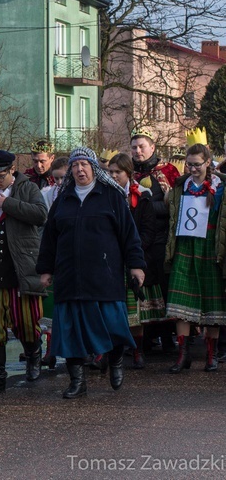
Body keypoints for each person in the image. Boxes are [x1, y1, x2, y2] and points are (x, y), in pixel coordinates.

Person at [37, 147, 145, 399]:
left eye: (84, 164)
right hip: (69, 276)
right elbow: (49, 238)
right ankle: (77, 381)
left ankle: (116, 361)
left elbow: (129, 234)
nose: (79, 169)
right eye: (75, 165)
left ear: (94, 168)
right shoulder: (63, 199)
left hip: (104, 276)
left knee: (112, 326)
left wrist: (136, 265)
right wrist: (45, 269)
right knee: (70, 331)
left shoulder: (110, 196)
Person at [0, 150, 47, 390]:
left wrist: (8, 203)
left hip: (21, 266)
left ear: (11, 170)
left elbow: (40, 215)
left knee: (25, 321)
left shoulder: (28, 188)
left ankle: (33, 356)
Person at [165, 143, 226, 373]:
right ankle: (184, 355)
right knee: (181, 301)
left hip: (210, 244)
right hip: (185, 243)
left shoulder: (221, 186)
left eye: (197, 164)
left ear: (208, 162)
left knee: (213, 300)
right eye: (188, 164)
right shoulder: (181, 186)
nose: (192, 169)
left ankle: (211, 355)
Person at [108, 153, 166, 369]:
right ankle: (107, 351)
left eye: (118, 172)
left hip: (134, 256)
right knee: (110, 308)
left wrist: (133, 252)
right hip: (110, 259)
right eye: (110, 172)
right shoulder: (104, 194)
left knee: (135, 311)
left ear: (128, 173)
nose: (113, 176)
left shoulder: (142, 195)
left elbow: (148, 230)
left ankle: (138, 349)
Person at [130, 127, 180, 353]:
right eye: (134, 147)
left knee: (162, 286)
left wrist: (148, 204)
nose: (138, 151)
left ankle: (168, 335)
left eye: (142, 146)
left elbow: (174, 206)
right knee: (141, 286)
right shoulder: (127, 170)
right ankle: (146, 335)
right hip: (138, 236)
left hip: (161, 237)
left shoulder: (168, 171)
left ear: (152, 147)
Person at [38, 156, 68, 370]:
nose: (59, 183)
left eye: (63, 178)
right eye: (55, 179)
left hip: (73, 255)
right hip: (54, 251)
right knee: (50, 304)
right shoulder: (47, 194)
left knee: (75, 303)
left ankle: (82, 350)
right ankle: (49, 350)